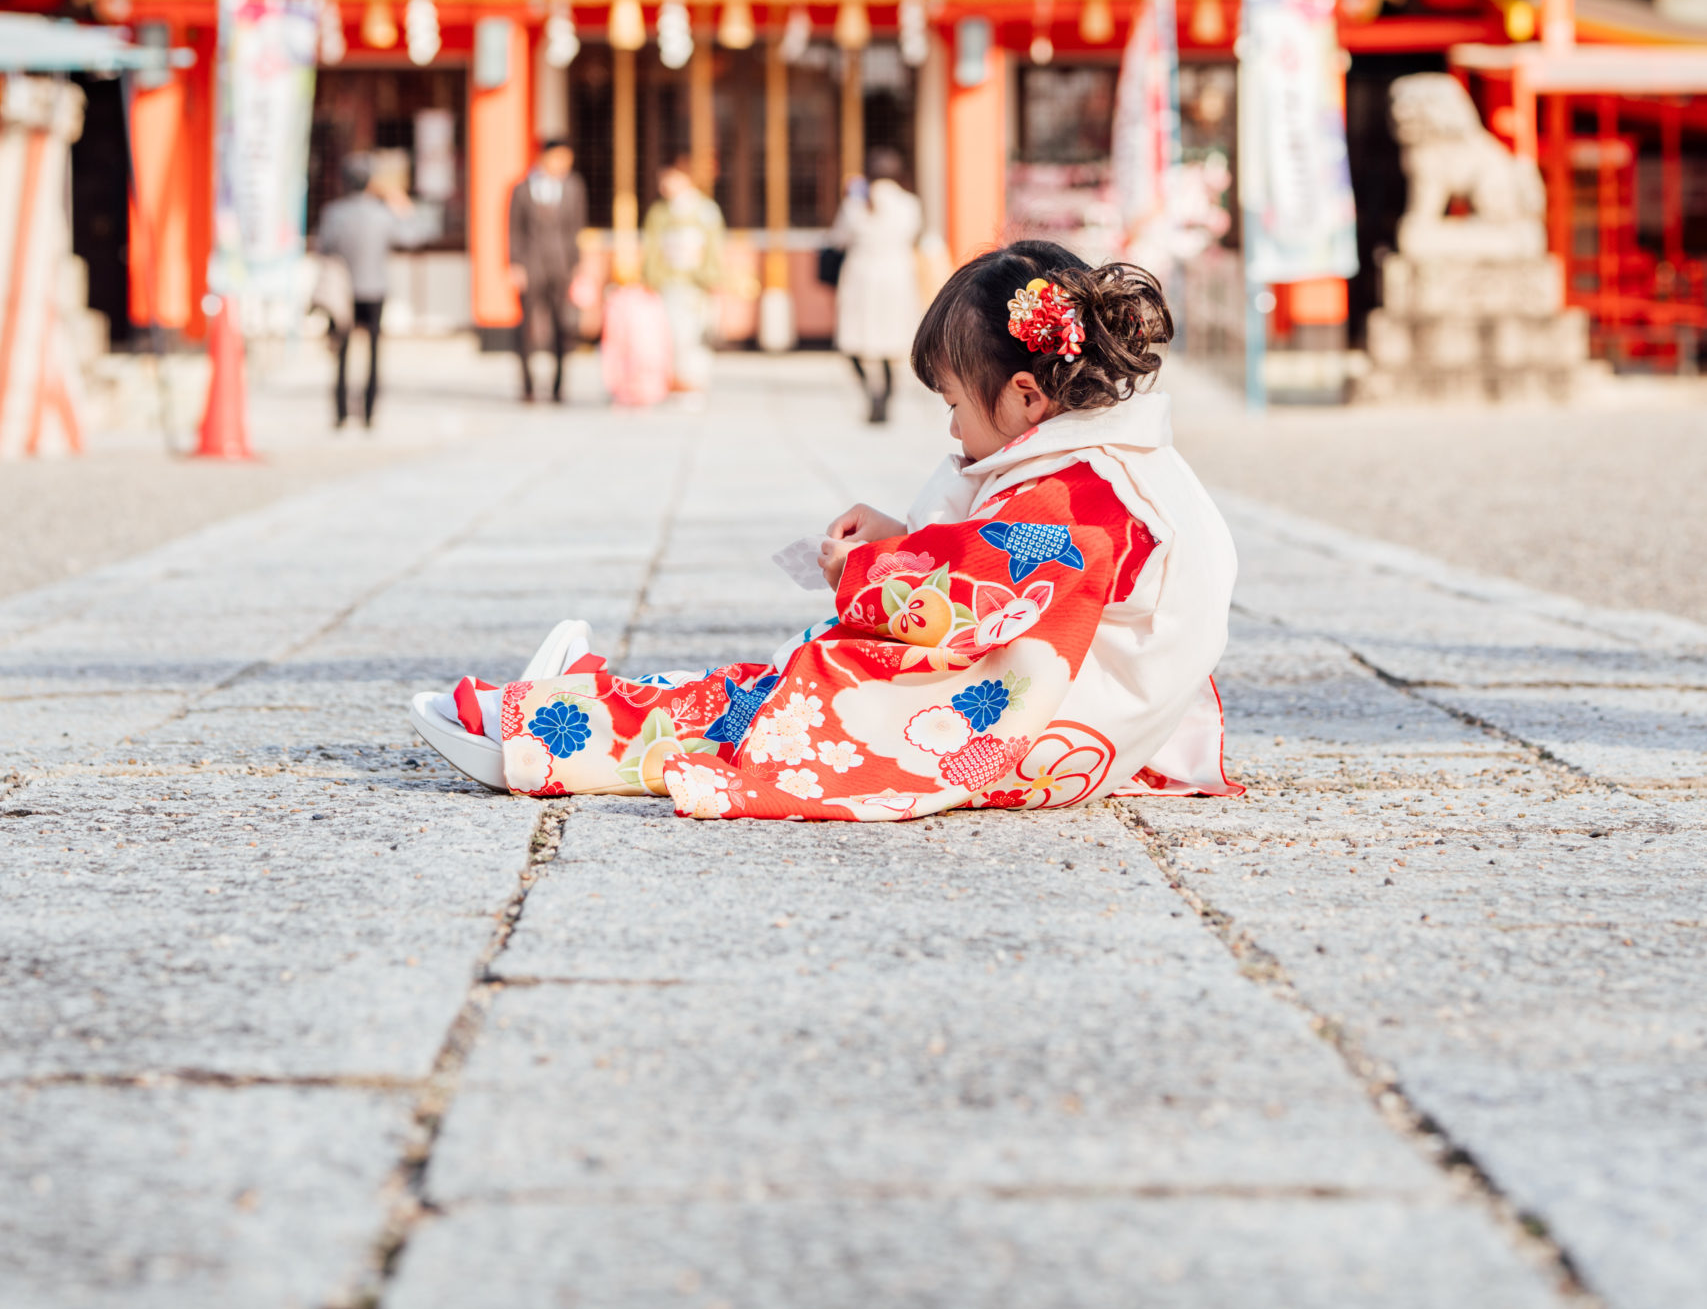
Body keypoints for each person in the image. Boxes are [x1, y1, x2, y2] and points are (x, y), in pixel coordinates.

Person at [408, 241, 1242, 820]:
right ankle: (574, 701)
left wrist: (866, 566)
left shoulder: (1080, 493)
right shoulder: (1112, 467)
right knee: (770, 695)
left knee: (785, 709)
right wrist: (901, 534)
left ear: (1026, 395)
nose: (952, 429)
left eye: (954, 403)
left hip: (1022, 728)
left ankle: (539, 731)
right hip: (1079, 707)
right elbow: (1000, 565)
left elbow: (960, 599)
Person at [314, 154, 416, 428]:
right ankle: (369, 412)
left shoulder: (334, 213)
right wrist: (402, 205)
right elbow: (410, 237)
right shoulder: (382, 214)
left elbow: (323, 247)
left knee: (342, 353)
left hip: (343, 290)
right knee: (373, 351)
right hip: (374, 289)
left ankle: (341, 412)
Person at [831, 146, 922, 422]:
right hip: (896, 277)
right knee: (890, 342)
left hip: (861, 276)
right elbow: (914, 235)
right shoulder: (909, 204)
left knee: (855, 340)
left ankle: (871, 393)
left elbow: (837, 239)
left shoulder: (855, 204)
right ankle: (887, 397)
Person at [507, 137, 588, 404]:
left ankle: (558, 386)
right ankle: (528, 385)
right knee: (526, 328)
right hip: (531, 265)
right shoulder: (522, 189)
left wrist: (577, 264)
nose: (564, 165)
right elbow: (514, 230)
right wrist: (515, 264)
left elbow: (576, 228)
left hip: (561, 266)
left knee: (562, 326)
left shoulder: (574, 187)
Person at [640, 156, 725, 394]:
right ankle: (673, 380)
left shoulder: (705, 210)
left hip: (695, 284)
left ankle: (692, 381)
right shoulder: (659, 212)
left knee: (693, 335)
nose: (665, 184)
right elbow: (651, 248)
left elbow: (713, 248)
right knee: (668, 334)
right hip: (667, 282)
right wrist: (650, 277)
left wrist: (712, 278)